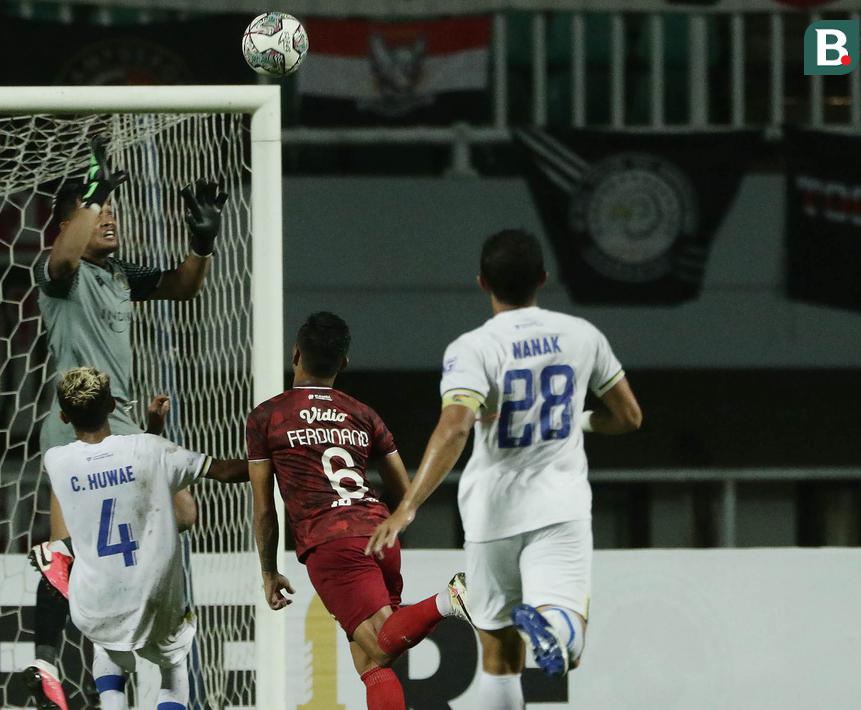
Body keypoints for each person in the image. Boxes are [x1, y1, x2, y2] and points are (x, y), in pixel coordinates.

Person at [366, 229, 643, 709]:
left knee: (498, 651)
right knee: (566, 629)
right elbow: (629, 417)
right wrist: (578, 421)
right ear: (542, 278)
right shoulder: (582, 336)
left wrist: (407, 507)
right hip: (559, 508)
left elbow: (454, 427)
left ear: (481, 282)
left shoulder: (473, 348)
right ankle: (554, 630)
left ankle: (545, 632)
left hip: (490, 513)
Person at [25, 135, 229, 708]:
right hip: (75, 426)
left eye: (113, 211)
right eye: (98, 213)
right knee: (67, 549)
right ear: (71, 223)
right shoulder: (62, 281)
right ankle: (45, 663)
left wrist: (202, 241)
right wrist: (89, 197)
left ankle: (106, 662)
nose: (109, 218)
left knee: (184, 513)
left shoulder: (117, 274)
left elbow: (182, 286)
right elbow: (61, 257)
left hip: (124, 426)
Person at [246, 311, 470, 710]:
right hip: (380, 533)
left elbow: (265, 508)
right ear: (343, 364)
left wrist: (267, 571)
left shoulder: (267, 417)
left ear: (295, 354)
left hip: (332, 545)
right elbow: (406, 488)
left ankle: (449, 598)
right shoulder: (363, 414)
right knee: (370, 663)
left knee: (379, 646)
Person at [32, 367, 247, 710]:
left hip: (97, 602)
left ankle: (58, 666)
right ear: (114, 406)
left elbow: (108, 475)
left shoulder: (57, 461)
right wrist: (279, 458)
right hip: (153, 597)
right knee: (173, 663)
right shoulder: (150, 448)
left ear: (62, 416)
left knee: (106, 638)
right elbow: (225, 471)